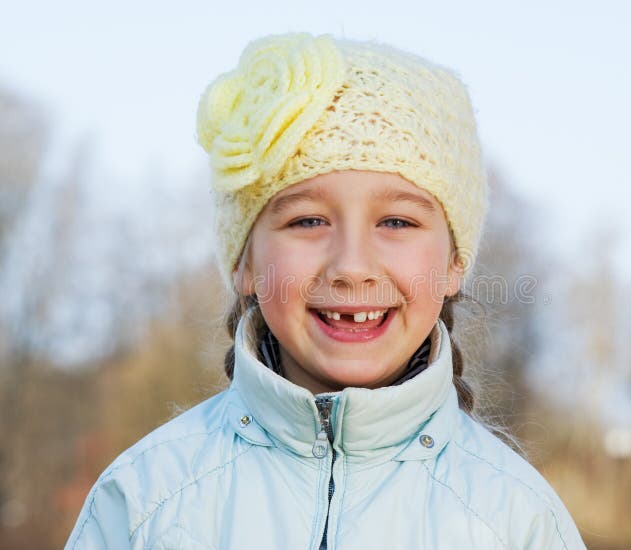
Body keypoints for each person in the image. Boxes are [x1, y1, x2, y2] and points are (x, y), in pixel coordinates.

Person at [66, 33, 586, 549]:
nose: (351, 267)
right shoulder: (145, 502)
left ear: (454, 265)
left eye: (398, 222)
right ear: (244, 263)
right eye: (309, 220)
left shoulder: (515, 520)